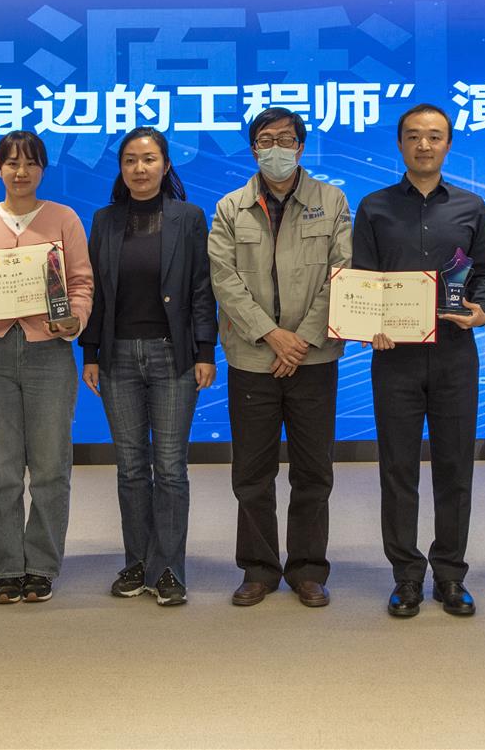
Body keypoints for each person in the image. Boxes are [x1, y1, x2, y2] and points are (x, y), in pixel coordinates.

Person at [351, 104, 485, 619]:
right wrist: (368, 323)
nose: (424, 145)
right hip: (395, 357)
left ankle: (451, 574)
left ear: (448, 145)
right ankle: (407, 575)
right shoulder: (374, 207)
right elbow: (362, 279)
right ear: (400, 144)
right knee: (398, 469)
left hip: (455, 353)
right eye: (414, 136)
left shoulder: (472, 207)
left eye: (434, 136)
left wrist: (482, 310)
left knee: (455, 468)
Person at [206, 106, 352, 608]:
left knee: (314, 471)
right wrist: (272, 335)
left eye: (286, 139)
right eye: (265, 140)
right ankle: (259, 568)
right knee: (252, 472)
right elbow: (224, 280)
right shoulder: (231, 207)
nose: (276, 149)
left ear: (301, 147)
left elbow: (341, 272)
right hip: (253, 358)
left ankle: (308, 569)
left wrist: (301, 339)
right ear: (253, 149)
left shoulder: (331, 201)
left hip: (313, 359)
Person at [0, 130, 93, 605]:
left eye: (30, 162)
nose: (21, 171)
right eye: (11, 163)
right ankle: (8, 567)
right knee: (0, 469)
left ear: (43, 169)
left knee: (50, 467)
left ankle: (42, 566)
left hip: (49, 352)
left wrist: (74, 319)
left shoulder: (64, 218)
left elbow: (81, 282)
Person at [81, 128, 217, 607]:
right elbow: (96, 292)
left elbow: (201, 288)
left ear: (165, 165)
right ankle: (138, 561)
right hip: (117, 357)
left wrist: (205, 351)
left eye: (149, 159)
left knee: (171, 468)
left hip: (172, 355)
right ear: (121, 168)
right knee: (132, 468)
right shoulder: (105, 220)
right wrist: (90, 353)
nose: (140, 168)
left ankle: (170, 569)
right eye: (130, 161)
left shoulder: (189, 218)